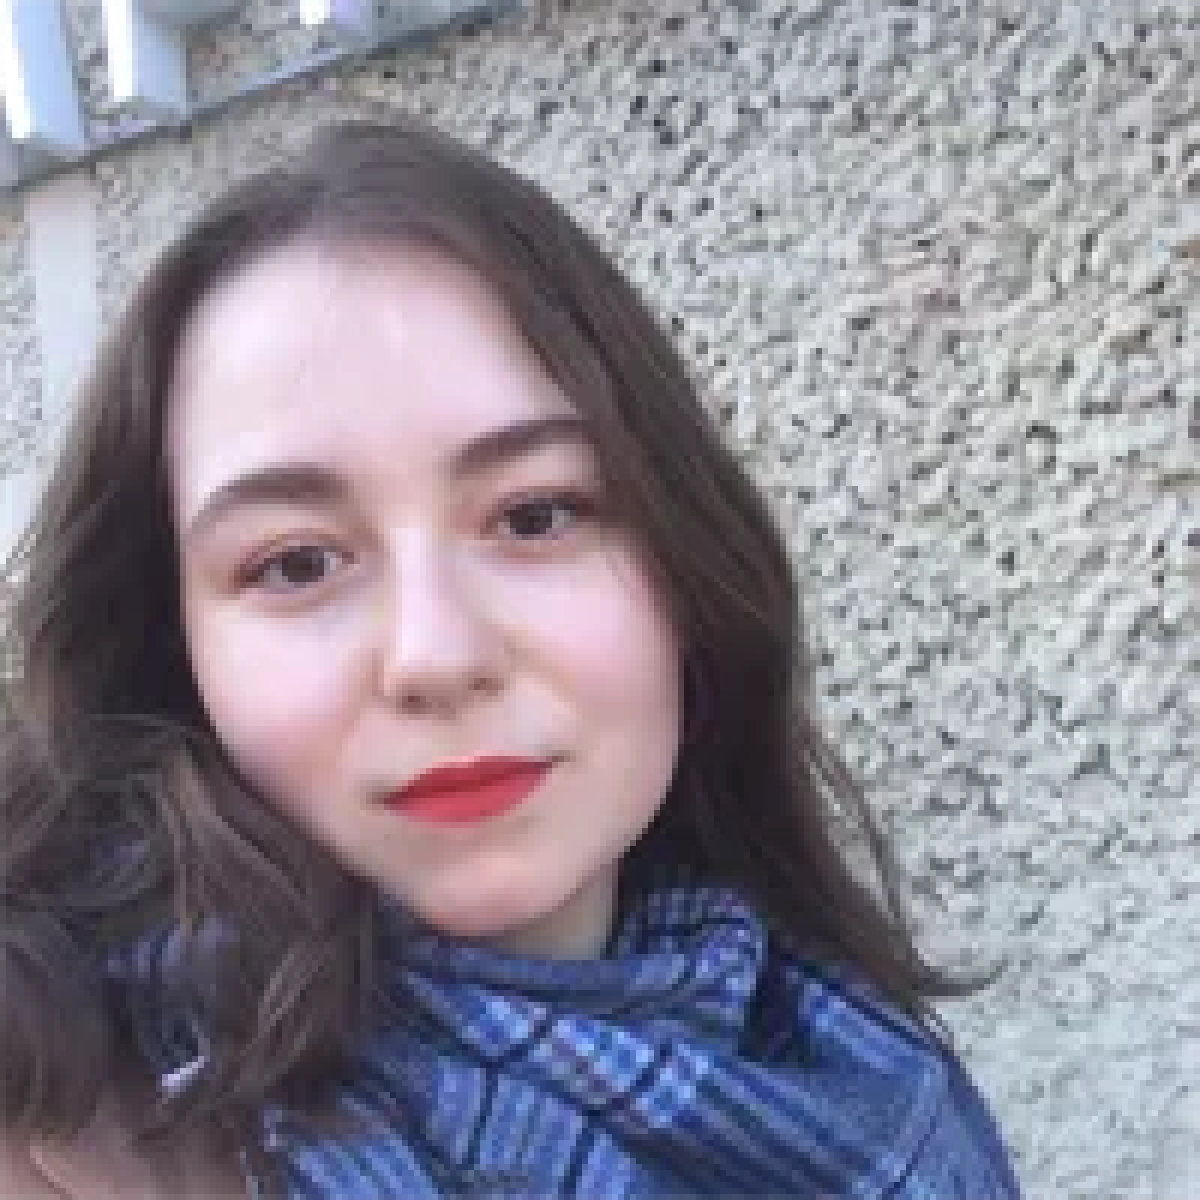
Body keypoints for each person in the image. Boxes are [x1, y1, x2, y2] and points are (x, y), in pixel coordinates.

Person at [0, 118, 1022, 1198]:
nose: (436, 656)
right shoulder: (56, 1125)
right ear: (173, 645)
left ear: (686, 564)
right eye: (298, 563)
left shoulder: (853, 1072)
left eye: (535, 516)